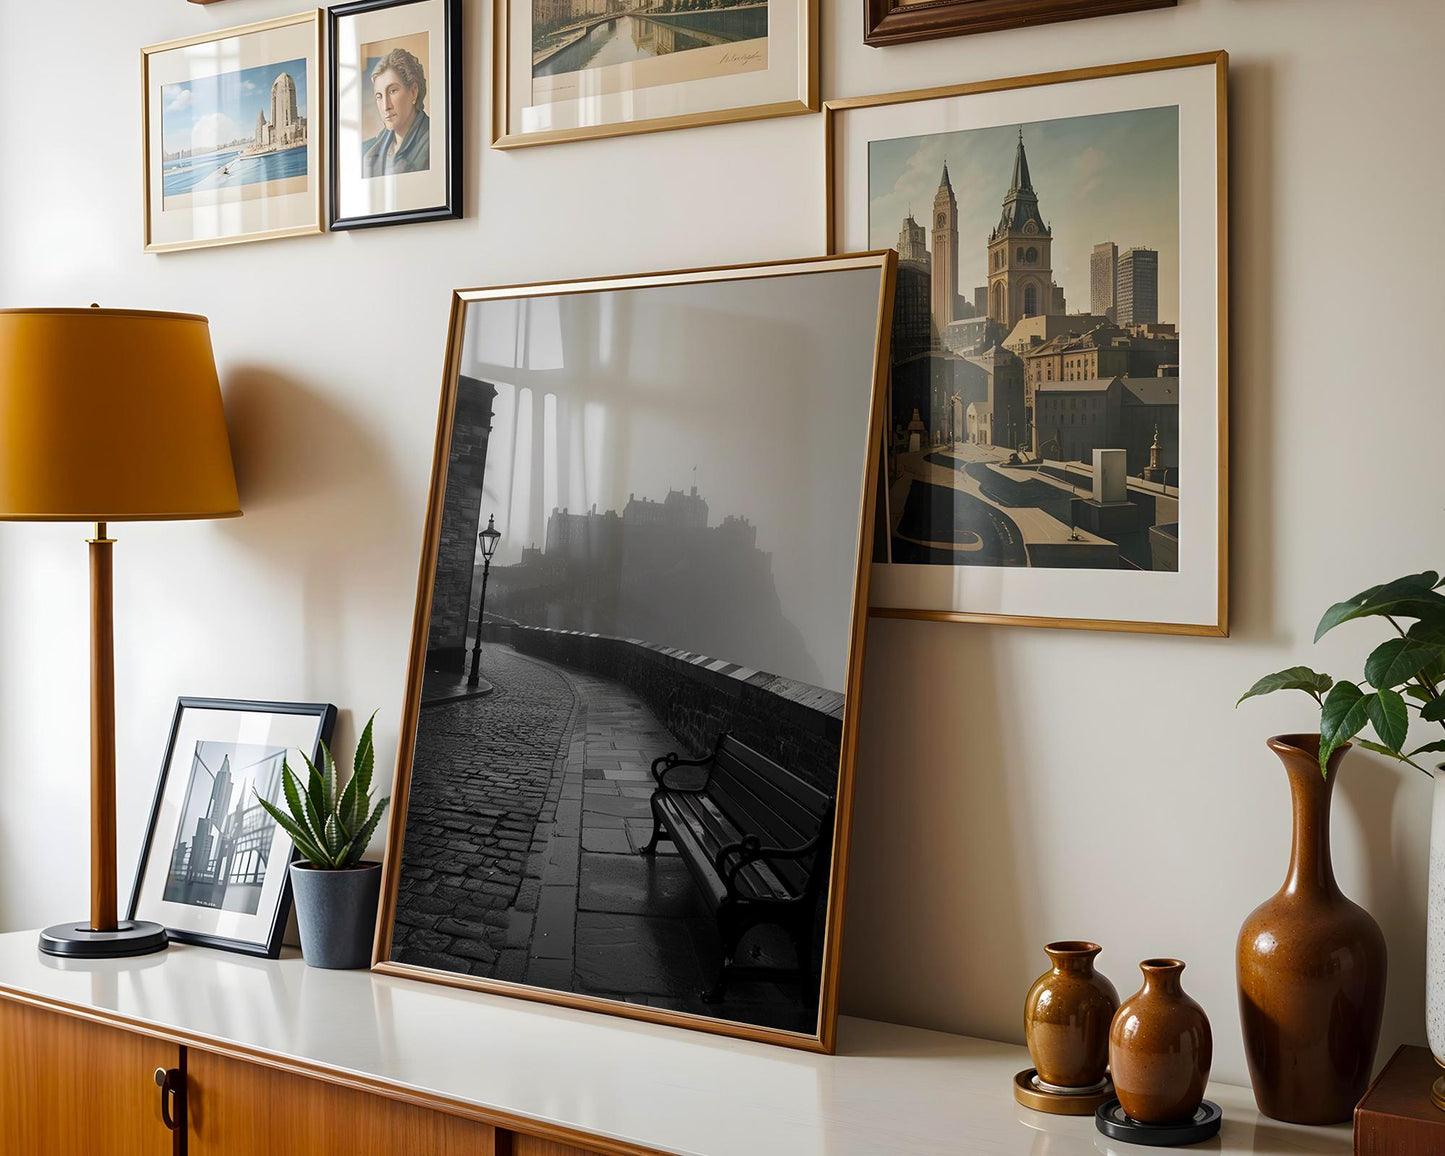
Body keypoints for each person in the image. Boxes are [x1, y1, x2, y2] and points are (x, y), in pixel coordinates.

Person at [362, 48, 430, 177]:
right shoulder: (368, 151)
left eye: (392, 91)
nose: (385, 106)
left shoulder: (434, 142)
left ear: (413, 92)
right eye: (379, 96)